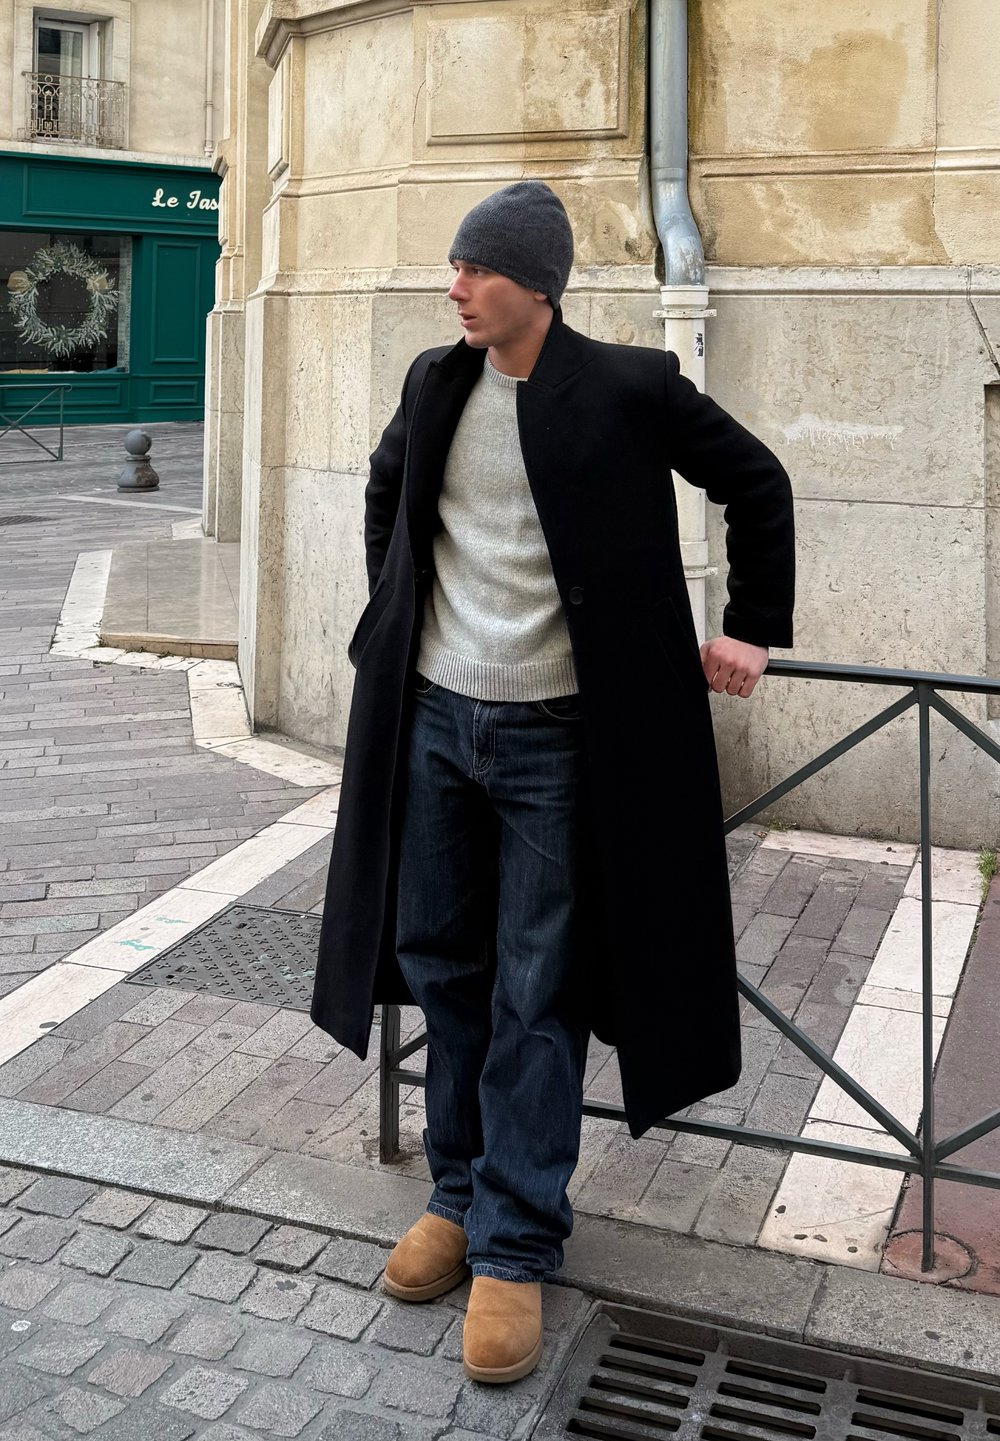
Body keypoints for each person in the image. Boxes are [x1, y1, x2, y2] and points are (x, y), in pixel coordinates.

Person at [313, 180, 794, 1385]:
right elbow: (388, 497)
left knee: (538, 985)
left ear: (535, 282)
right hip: (434, 722)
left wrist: (750, 625)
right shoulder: (436, 381)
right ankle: (458, 1194)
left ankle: (518, 1241)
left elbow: (757, 480)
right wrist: (394, 622)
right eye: (454, 267)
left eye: (475, 269)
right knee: (441, 960)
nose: (455, 286)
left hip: (559, 741)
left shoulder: (625, 388)